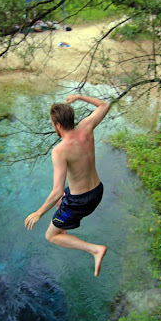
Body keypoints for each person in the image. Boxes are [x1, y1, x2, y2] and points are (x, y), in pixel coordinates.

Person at [25, 94, 110, 276]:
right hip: (97, 190)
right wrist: (79, 96)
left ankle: (95, 250)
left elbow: (56, 191)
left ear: (58, 125)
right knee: (63, 198)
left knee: (51, 235)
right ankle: (63, 220)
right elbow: (104, 105)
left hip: (81, 202)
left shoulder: (60, 151)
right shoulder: (87, 127)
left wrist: (38, 213)